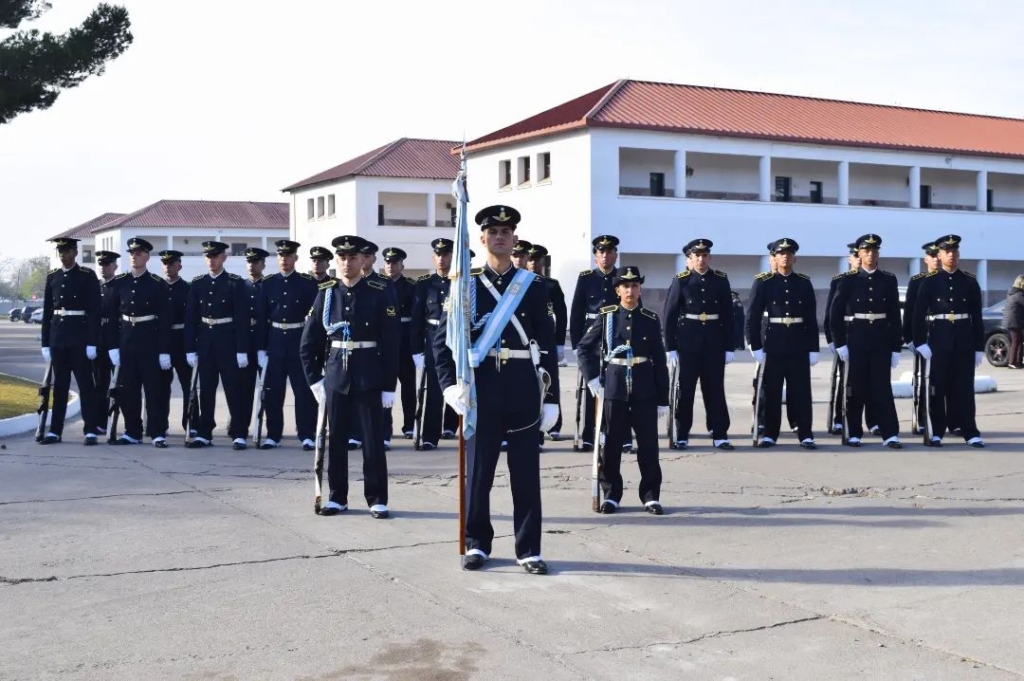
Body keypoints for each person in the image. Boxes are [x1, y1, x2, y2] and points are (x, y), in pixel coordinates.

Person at [434, 205, 560, 575]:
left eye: (507, 231)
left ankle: (529, 549)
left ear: (515, 239)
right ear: (482, 238)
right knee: (479, 474)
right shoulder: (465, 284)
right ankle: (478, 543)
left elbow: (547, 345)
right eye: (493, 231)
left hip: (521, 386)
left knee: (525, 474)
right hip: (481, 389)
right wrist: (448, 387)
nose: (500, 236)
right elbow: (442, 344)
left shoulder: (534, 287)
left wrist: (551, 399)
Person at [300, 235, 399, 518]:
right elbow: (309, 341)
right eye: (341, 258)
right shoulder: (327, 292)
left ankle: (377, 498)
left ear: (362, 260)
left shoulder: (379, 291)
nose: (346, 263)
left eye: (352, 258)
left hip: (369, 373)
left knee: (372, 441)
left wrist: (389, 386)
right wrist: (314, 380)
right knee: (338, 439)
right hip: (336, 375)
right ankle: (337, 497)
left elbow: (391, 342)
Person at [577, 266, 669, 513]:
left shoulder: (650, 319)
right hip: (614, 388)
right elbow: (584, 349)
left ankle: (650, 495)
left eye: (635, 285)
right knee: (612, 444)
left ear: (640, 289)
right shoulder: (607, 316)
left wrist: (663, 398)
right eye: (625, 286)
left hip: (644, 388)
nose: (630, 290)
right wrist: (593, 380)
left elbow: (659, 360)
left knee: (648, 445)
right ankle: (611, 494)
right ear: (617, 290)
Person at [829, 234, 902, 449]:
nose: (870, 254)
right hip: (857, 338)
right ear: (859, 254)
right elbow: (835, 314)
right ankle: (853, 432)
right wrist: (840, 343)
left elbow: (895, 316)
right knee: (855, 388)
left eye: (874, 250)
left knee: (882, 388)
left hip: (880, 338)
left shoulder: (888, 279)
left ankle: (890, 433)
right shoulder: (848, 280)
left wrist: (896, 347)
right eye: (866, 250)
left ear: (878, 253)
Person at [912, 234, 985, 448]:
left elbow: (976, 317)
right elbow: (917, 314)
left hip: (963, 340)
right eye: (947, 252)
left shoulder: (969, 282)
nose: (951, 255)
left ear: (959, 254)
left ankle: (970, 431)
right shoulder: (930, 282)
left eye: (955, 251)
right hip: (938, 340)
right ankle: (936, 431)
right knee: (937, 387)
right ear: (940, 255)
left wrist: (979, 347)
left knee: (964, 388)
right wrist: (919, 342)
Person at [745, 238, 819, 449]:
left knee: (801, 391)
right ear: (774, 258)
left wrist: (814, 348)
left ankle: (805, 433)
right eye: (780, 253)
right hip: (774, 344)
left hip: (798, 344)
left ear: (794, 257)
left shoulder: (803, 283)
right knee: (772, 391)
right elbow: (753, 317)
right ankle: (770, 434)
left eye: (788, 253)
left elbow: (811, 319)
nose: (785, 257)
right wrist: (755, 345)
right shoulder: (763, 282)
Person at [663, 238, 735, 450]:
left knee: (715, 389)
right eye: (697, 256)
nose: (701, 259)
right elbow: (670, 314)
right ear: (690, 258)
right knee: (685, 390)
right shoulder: (682, 280)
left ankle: (720, 433)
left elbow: (728, 315)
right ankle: (682, 433)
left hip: (714, 342)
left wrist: (730, 346)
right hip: (688, 343)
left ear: (709, 257)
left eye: (704, 255)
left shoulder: (720, 280)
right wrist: (670, 347)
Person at [183, 241, 251, 449]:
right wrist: (190, 348)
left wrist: (242, 349)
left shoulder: (235, 283)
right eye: (208, 257)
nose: (211, 260)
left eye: (215, 256)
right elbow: (191, 318)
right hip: (206, 343)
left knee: (233, 389)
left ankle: (239, 432)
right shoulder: (198, 283)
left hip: (228, 343)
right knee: (207, 391)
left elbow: (242, 318)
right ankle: (205, 432)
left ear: (224, 258)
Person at [105, 238, 173, 447]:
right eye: (132, 253)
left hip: (150, 342)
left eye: (139, 253)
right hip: (126, 341)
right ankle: (132, 431)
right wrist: (113, 346)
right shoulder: (120, 282)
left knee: (154, 390)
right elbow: (111, 317)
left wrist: (164, 351)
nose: (134, 256)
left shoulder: (157, 284)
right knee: (128, 391)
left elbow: (164, 320)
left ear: (147, 257)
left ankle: (157, 431)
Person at [255, 240, 319, 450]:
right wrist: (261, 349)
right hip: (275, 342)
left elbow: (313, 319)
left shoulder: (307, 283)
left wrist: (312, 347)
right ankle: (273, 434)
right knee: (273, 392)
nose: (284, 259)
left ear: (295, 259)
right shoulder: (268, 283)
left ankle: (306, 434)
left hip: (298, 341)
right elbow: (262, 317)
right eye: (281, 256)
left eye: (288, 256)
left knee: (303, 392)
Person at [39, 237, 101, 445]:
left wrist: (92, 341)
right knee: (60, 387)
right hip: (58, 338)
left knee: (86, 385)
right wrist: (45, 343)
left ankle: (90, 429)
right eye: (60, 252)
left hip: (80, 338)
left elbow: (94, 311)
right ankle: (55, 431)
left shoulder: (86, 275)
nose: (63, 255)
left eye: (67, 251)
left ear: (75, 252)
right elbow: (48, 312)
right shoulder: (52, 277)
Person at [570, 235, 626, 451]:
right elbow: (576, 312)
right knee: (590, 387)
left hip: (616, 337)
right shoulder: (586, 278)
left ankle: (617, 434)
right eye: (601, 252)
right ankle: (589, 434)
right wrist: (577, 344)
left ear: (615, 255)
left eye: (609, 251)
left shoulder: (623, 277)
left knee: (617, 387)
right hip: (591, 338)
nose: (605, 255)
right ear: (595, 257)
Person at [410, 238, 460, 450]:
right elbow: (416, 319)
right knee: (433, 391)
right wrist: (417, 350)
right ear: (434, 257)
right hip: (433, 339)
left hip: (456, 338)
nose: (442, 258)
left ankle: (451, 425)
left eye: (446, 254)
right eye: (438, 255)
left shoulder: (460, 281)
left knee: (458, 382)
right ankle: (430, 435)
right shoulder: (424, 284)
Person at [526, 243, 568, 441]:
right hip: (527, 341)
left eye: (537, 259)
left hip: (547, 339)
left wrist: (560, 343)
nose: (534, 263)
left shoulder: (551, 285)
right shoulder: (521, 283)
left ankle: (554, 425)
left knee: (552, 381)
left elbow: (561, 315)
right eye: (531, 259)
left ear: (543, 261)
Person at [902, 241, 940, 433]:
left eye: (938, 255)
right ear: (926, 259)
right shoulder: (917, 280)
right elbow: (909, 311)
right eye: (933, 256)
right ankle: (922, 419)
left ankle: (949, 420)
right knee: (923, 381)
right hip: (923, 333)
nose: (936, 260)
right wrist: (909, 338)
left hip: (941, 334)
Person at [381, 247, 417, 446]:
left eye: (394, 263)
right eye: (387, 262)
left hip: (405, 342)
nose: (390, 266)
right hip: (386, 343)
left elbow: (417, 316)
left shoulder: (411, 287)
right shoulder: (378, 285)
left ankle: (410, 425)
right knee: (385, 387)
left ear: (402, 265)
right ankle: (385, 428)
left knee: (409, 388)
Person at [823, 243, 858, 434]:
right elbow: (830, 312)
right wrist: (832, 340)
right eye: (855, 256)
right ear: (849, 259)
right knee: (843, 380)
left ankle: (872, 420)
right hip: (844, 334)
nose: (859, 259)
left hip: (862, 335)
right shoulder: (840, 280)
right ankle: (839, 417)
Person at [235, 247, 269, 444]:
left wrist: (266, 348)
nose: (251, 265)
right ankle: (240, 432)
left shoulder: (269, 285)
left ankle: (271, 433)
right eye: (248, 261)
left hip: (265, 345)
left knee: (269, 392)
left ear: (263, 264)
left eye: (255, 261)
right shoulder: (239, 286)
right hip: (244, 346)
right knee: (243, 391)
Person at [159, 250, 192, 426]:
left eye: (171, 263)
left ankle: (190, 423)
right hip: (163, 342)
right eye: (164, 263)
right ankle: (159, 425)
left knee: (189, 386)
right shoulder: (157, 287)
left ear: (179, 265)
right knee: (161, 388)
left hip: (182, 341)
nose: (167, 267)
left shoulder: (187, 288)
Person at [94, 250, 120, 435]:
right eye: (101, 264)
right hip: (99, 342)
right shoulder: (95, 287)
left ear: (115, 266)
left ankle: (130, 422)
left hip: (117, 342)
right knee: (100, 385)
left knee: (122, 385)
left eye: (107, 264)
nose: (104, 268)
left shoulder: (120, 286)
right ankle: (101, 422)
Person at [1005, 275, 1024, 369]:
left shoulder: (1013, 293)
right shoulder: (1018, 295)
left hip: (1015, 321)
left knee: (1019, 341)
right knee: (1016, 342)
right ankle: (1012, 362)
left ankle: (1018, 362)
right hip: (1014, 322)